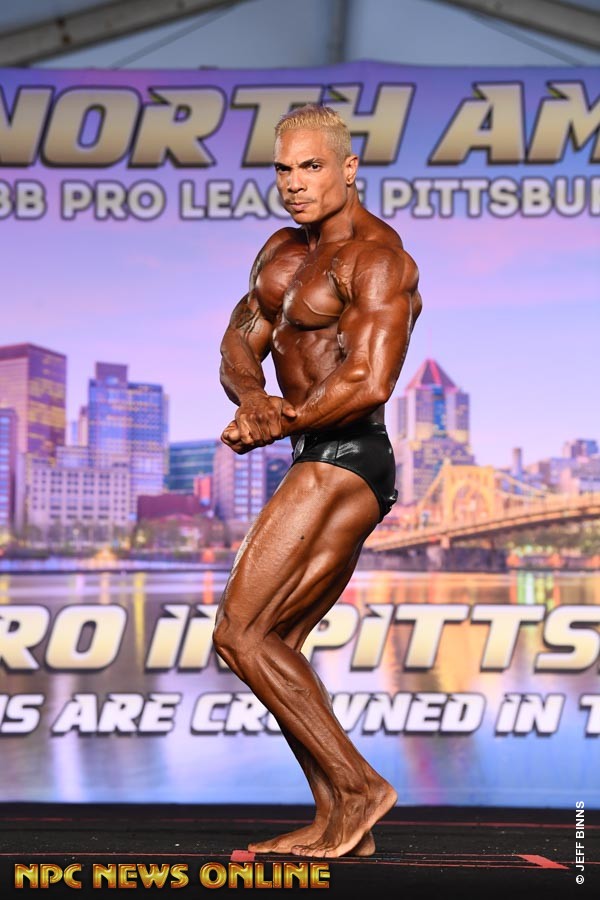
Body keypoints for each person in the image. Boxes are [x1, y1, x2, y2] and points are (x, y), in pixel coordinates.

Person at [213, 104, 422, 859]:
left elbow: (369, 379)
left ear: (347, 168)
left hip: (350, 455)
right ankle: (340, 818)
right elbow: (239, 344)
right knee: (276, 644)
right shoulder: (279, 254)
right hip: (311, 447)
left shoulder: (379, 260)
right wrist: (255, 400)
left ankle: (361, 789)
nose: (295, 183)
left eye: (311, 166)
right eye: (283, 168)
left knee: (239, 632)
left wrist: (286, 416)